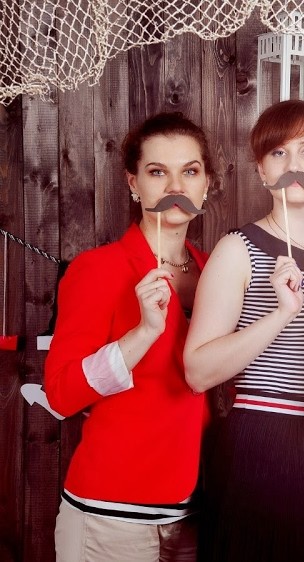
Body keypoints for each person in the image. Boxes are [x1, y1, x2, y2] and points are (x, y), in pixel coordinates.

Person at [183, 99, 304, 561]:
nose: (293, 165)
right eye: (278, 153)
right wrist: (279, 315)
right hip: (262, 441)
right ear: (261, 169)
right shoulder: (237, 249)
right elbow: (197, 371)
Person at [44, 111, 214, 561]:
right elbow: (60, 395)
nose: (175, 186)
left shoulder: (217, 270)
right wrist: (143, 334)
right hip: (109, 517)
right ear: (133, 183)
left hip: (196, 513)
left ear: (207, 184)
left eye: (189, 171)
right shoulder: (97, 270)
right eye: (157, 172)